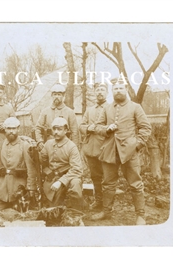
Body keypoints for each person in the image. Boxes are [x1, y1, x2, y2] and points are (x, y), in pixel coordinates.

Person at [91, 78, 152, 225]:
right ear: (112, 92)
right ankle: (106, 211)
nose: (118, 91)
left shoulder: (135, 107)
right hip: (110, 152)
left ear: (125, 90)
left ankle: (140, 215)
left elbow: (146, 128)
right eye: (115, 89)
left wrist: (137, 145)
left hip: (130, 153)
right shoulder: (107, 108)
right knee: (108, 183)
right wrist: (107, 129)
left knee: (135, 183)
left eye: (120, 88)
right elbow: (97, 127)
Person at [0, 117, 37, 212]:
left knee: (21, 213)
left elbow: (31, 169)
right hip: (2, 188)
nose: (11, 131)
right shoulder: (0, 145)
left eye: (14, 128)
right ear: (5, 130)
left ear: (18, 129)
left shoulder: (25, 145)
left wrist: (31, 188)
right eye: (8, 128)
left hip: (19, 188)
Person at [40, 117, 84, 211]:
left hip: (69, 177)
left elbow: (77, 169)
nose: (56, 132)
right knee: (53, 209)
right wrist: (34, 153)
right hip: (53, 177)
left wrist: (61, 181)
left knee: (75, 185)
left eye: (59, 129)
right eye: (54, 129)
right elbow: (42, 160)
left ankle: (76, 213)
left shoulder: (71, 146)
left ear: (66, 130)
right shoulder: (48, 143)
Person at [79, 82, 109, 211]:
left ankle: (107, 204)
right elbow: (81, 126)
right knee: (95, 176)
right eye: (98, 90)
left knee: (107, 178)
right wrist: (88, 128)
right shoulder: (89, 110)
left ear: (107, 92)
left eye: (102, 90)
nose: (100, 92)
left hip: (105, 149)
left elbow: (113, 127)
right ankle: (98, 201)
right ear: (95, 92)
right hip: (91, 149)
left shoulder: (111, 108)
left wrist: (98, 128)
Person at [35, 84, 79, 151]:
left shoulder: (70, 112)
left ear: (63, 96)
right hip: (49, 145)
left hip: (65, 146)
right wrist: (40, 141)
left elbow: (74, 132)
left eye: (59, 94)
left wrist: (74, 148)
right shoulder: (45, 111)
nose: (56, 97)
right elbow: (38, 128)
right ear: (51, 96)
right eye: (54, 94)